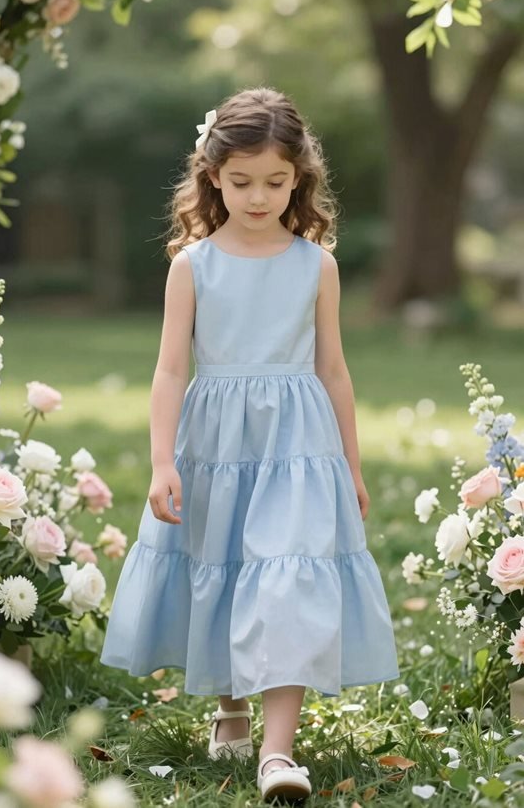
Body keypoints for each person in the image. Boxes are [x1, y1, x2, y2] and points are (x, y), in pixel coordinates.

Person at [100, 86, 399, 802]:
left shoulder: (315, 266)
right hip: (215, 440)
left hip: (297, 444)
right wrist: (162, 460)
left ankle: (276, 753)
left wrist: (351, 467)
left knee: (285, 579)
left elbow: (333, 369)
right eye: (241, 182)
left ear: (299, 178)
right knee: (225, 564)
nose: (258, 196)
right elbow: (170, 369)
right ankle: (230, 708)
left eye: (274, 181)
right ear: (213, 176)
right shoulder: (192, 266)